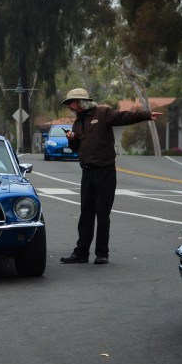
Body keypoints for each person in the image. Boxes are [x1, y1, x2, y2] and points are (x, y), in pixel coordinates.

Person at [59, 87, 161, 265]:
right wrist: (71, 138)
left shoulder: (103, 113)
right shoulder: (77, 122)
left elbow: (124, 117)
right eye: (68, 103)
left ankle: (102, 254)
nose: (69, 105)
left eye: (71, 102)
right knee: (86, 214)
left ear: (81, 101)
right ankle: (81, 253)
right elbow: (76, 149)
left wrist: (146, 114)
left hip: (105, 172)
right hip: (87, 172)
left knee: (102, 214)